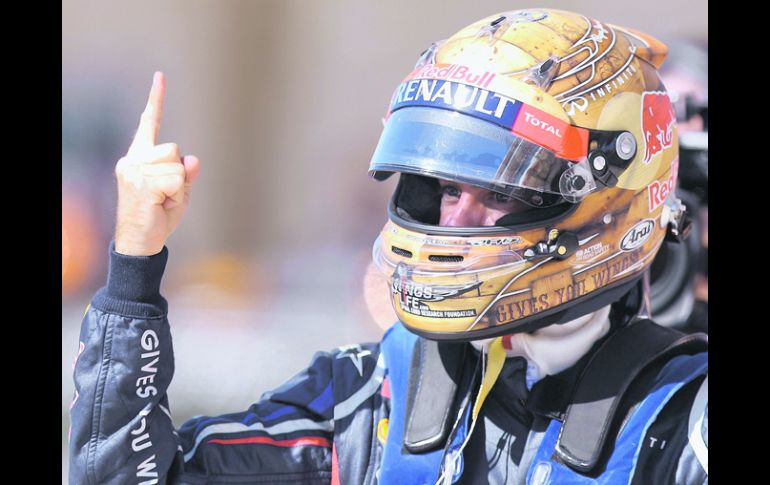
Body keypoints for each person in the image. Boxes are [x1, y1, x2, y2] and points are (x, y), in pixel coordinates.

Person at [69, 8, 708, 485]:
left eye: (503, 192)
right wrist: (135, 264)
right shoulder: (367, 397)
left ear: (609, 199)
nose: (457, 219)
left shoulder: (685, 419)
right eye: (444, 187)